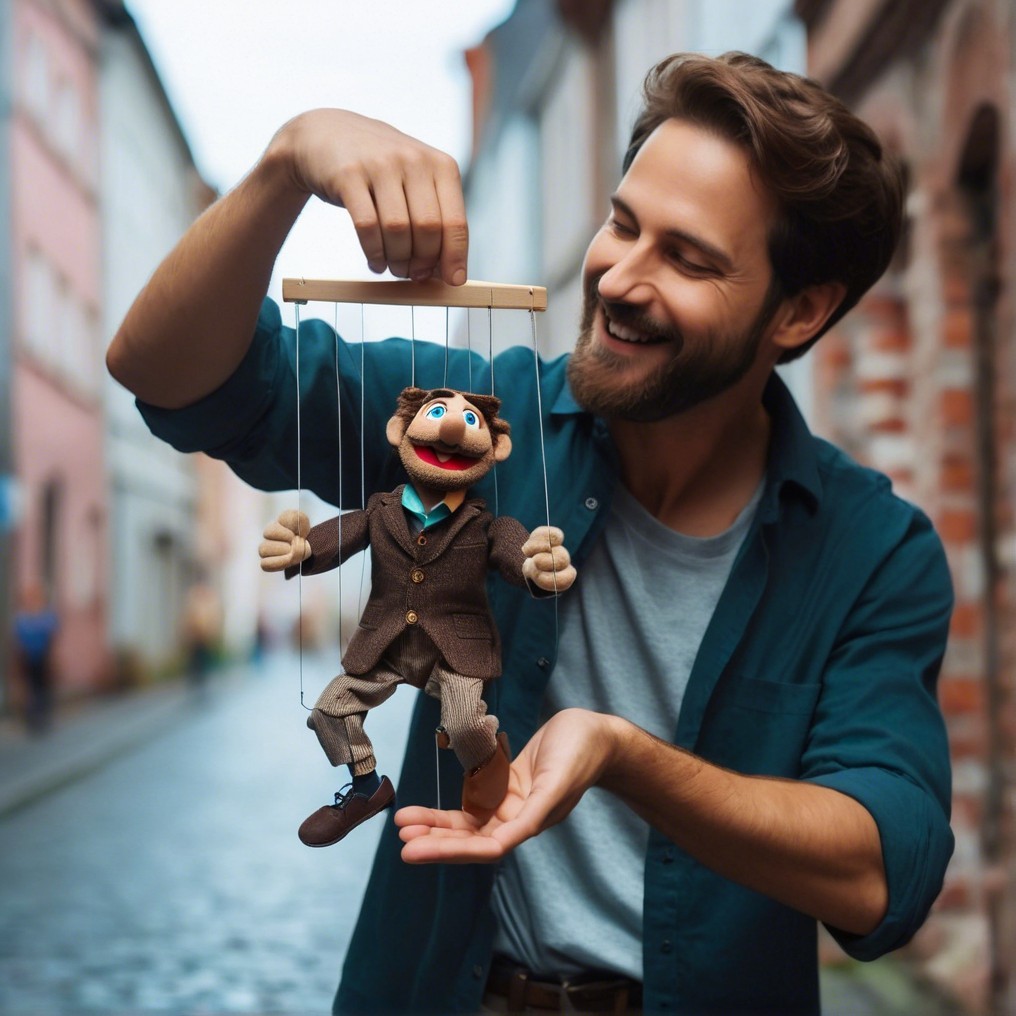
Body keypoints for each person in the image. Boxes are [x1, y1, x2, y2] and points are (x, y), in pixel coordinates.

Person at [107, 51, 954, 1016]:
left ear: (798, 312)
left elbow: (885, 873)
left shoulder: (872, 551)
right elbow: (167, 375)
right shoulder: (472, 417)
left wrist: (625, 758)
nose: (619, 279)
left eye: (687, 257)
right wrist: (286, 164)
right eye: (623, 224)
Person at [258, 386, 575, 846]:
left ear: (496, 447)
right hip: (386, 644)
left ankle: (487, 766)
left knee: (466, 723)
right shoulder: (380, 511)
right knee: (328, 711)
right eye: (439, 415)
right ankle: (367, 788)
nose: (449, 430)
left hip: (455, 650)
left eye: (470, 423)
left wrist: (534, 568)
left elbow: (513, 552)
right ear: (400, 432)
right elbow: (344, 533)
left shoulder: (486, 524)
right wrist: (304, 549)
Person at [12, 585, 59, 734]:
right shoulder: (22, 618)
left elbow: (52, 636)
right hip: (27, 659)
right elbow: (18, 639)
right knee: (30, 688)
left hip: (42, 658)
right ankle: (32, 717)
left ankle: (42, 716)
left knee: (42, 688)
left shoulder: (46, 616)